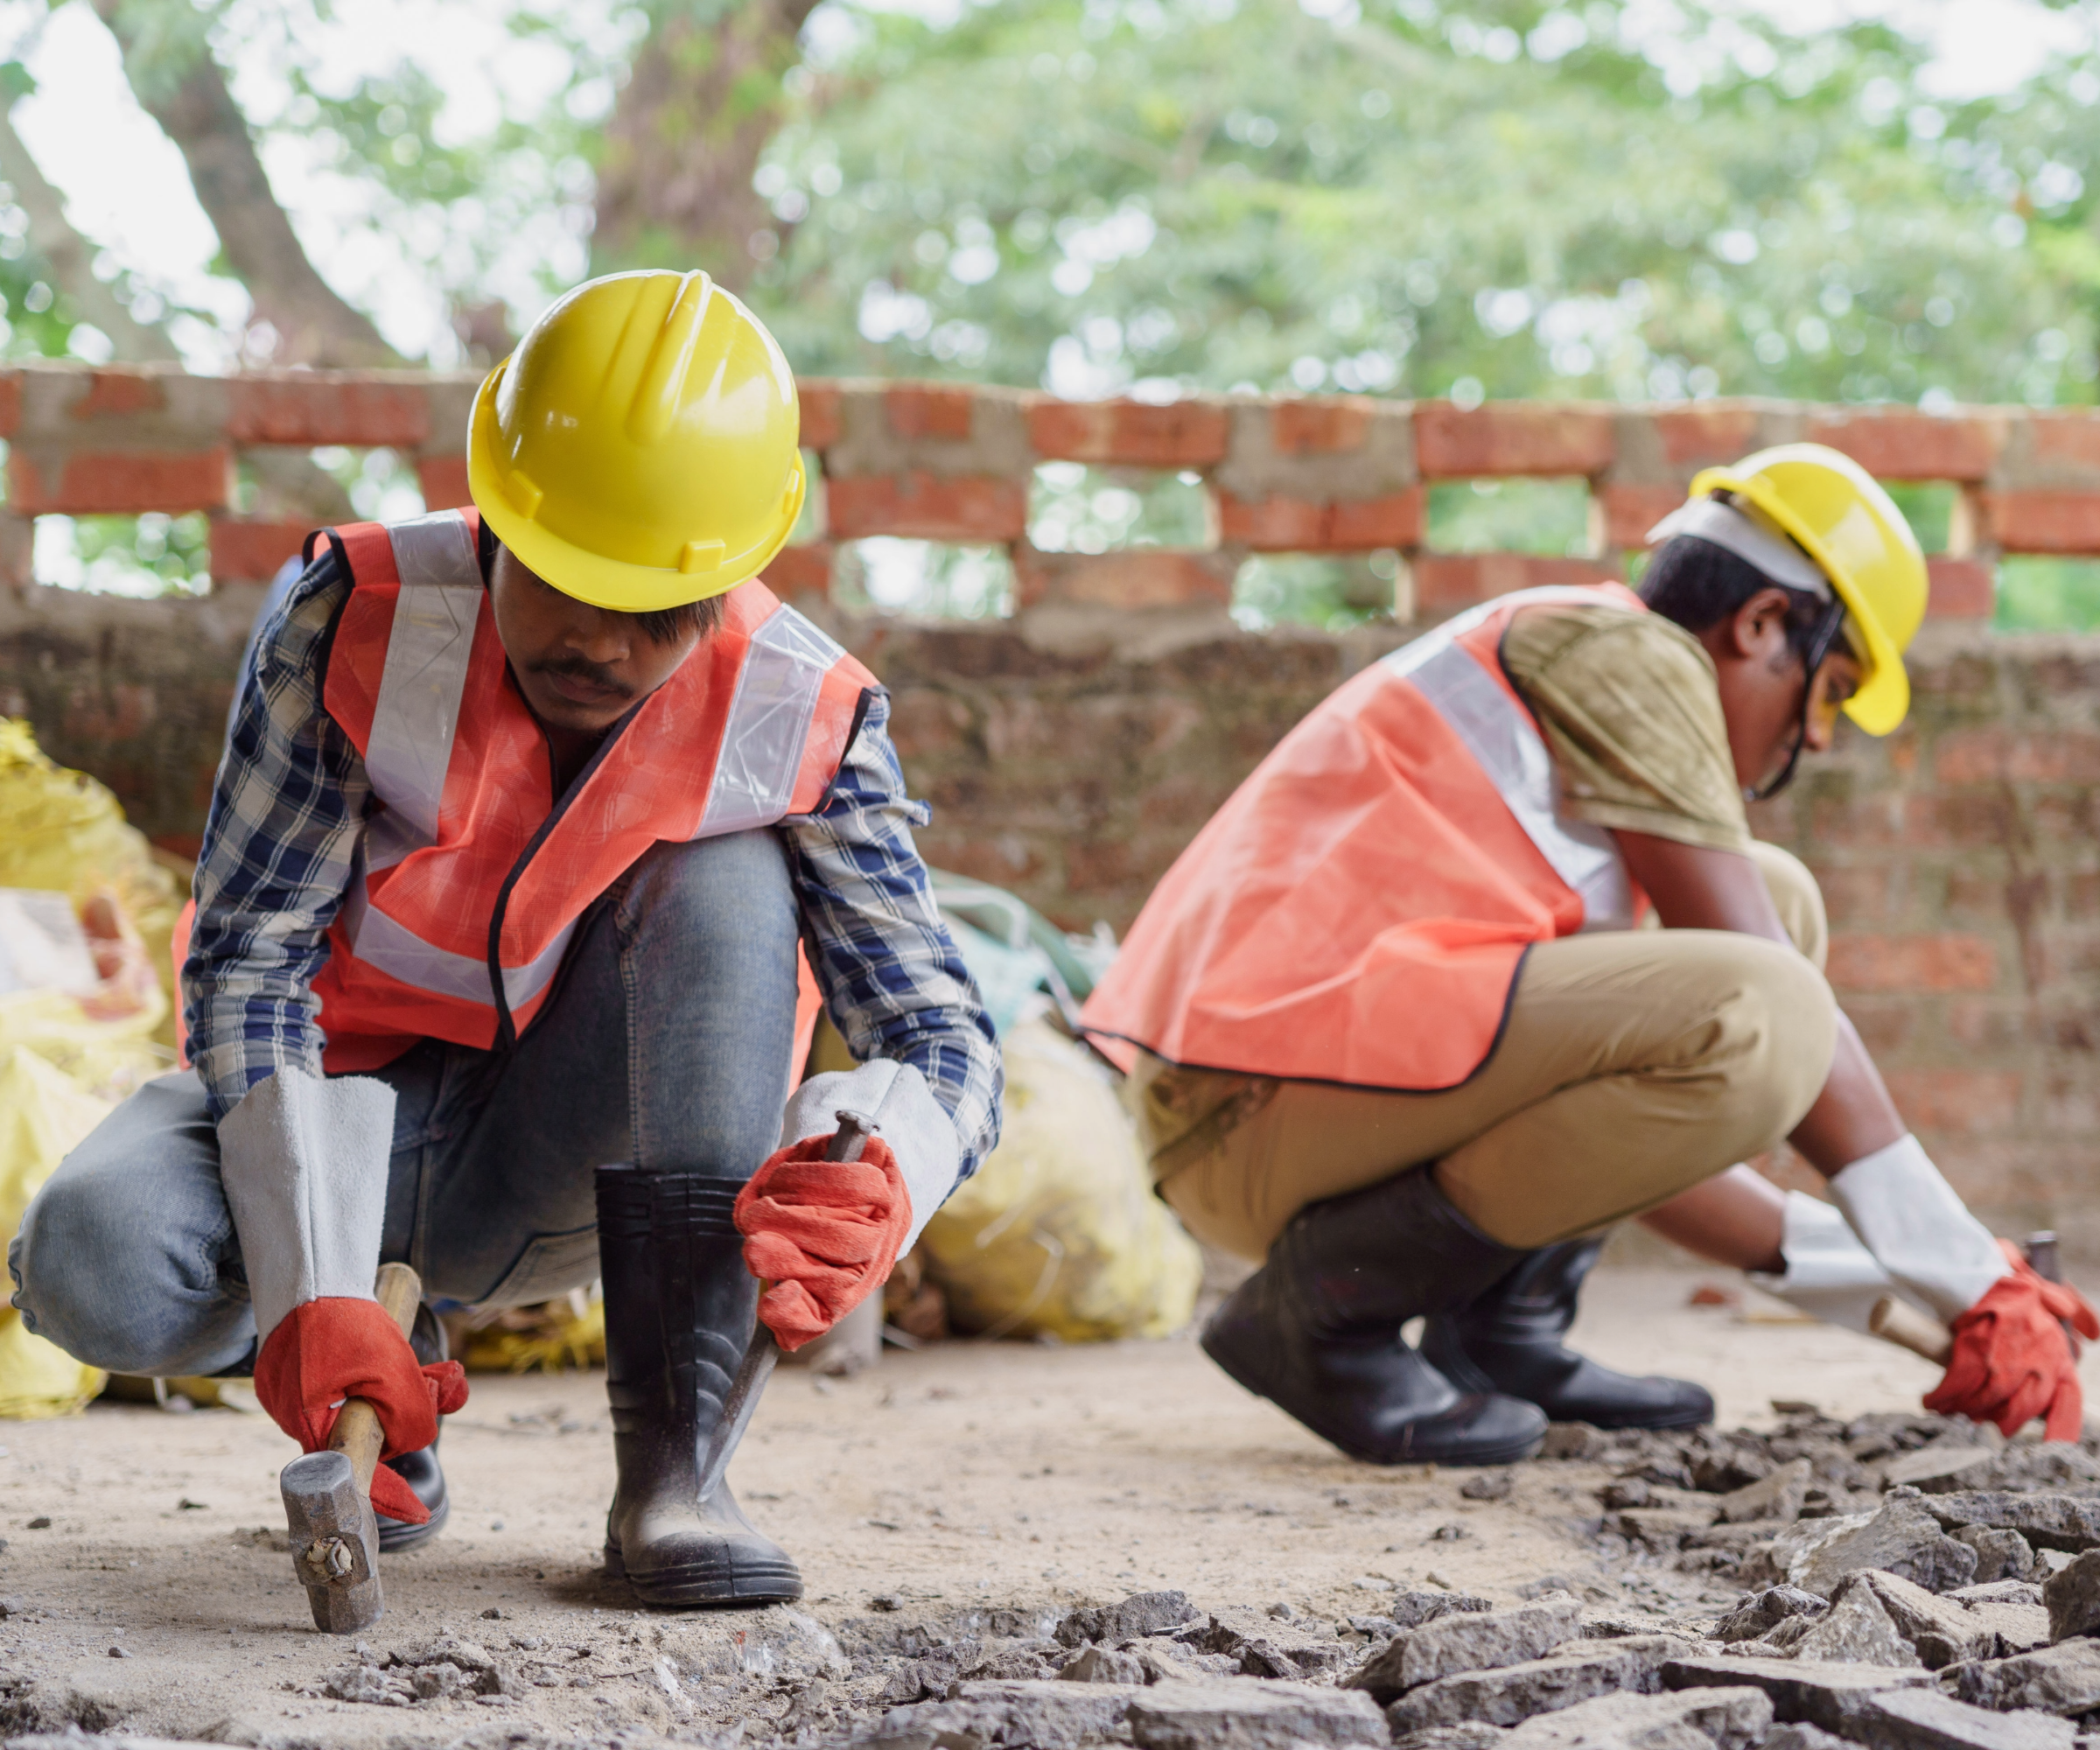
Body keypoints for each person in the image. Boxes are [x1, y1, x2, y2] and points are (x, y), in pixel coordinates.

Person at [9, 270, 1001, 1606]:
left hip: (583, 1164)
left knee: (722, 871)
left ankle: (679, 1473)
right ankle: (377, 1389)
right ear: (499, 521)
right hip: (338, 1128)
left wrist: (889, 1164)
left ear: (732, 571)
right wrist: (311, 1285)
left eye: (657, 605)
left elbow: (938, 1037)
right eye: (567, 581)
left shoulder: (800, 708)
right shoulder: (352, 618)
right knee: (90, 1256)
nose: (599, 639)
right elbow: (251, 966)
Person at [1081, 444, 2095, 1466]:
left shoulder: (1581, 667)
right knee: (1767, 996)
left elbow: (1621, 1144)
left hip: (1296, 1095)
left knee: (1769, 915)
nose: (1821, 738)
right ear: (1760, 624)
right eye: (1829, 688)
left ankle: (1498, 1338)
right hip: (1248, 1105)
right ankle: (1320, 1319)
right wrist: (1971, 1274)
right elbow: (1764, 1009)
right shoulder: (1631, 655)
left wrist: (1906, 1290)